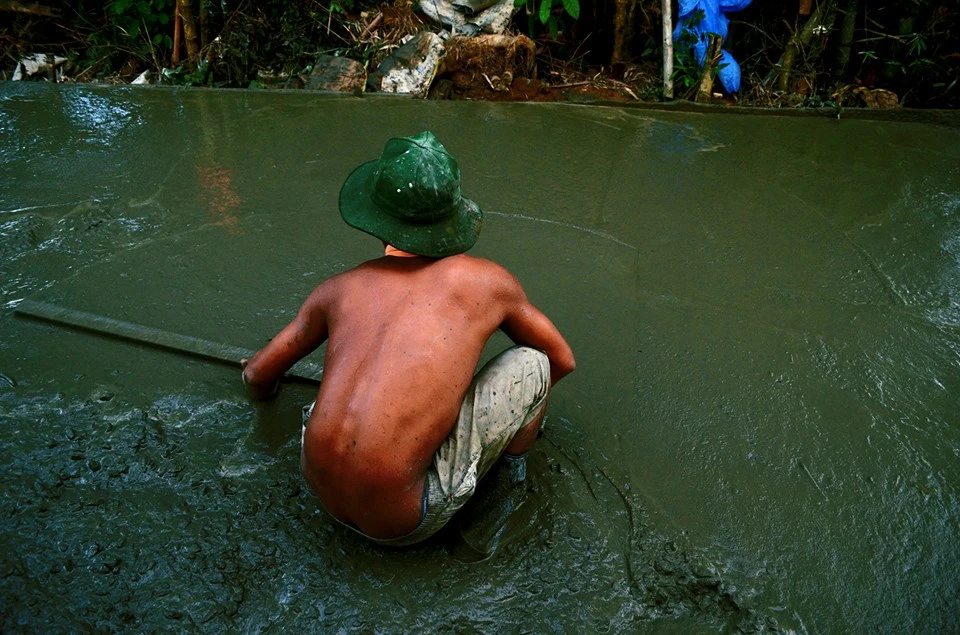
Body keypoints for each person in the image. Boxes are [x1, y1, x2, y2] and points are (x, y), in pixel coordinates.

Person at [241, 131, 575, 547]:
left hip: (320, 492)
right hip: (407, 523)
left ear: (375, 217)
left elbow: (256, 375)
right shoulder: (488, 282)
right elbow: (560, 359)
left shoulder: (338, 288)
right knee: (532, 363)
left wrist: (268, 389)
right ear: (453, 217)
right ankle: (512, 476)